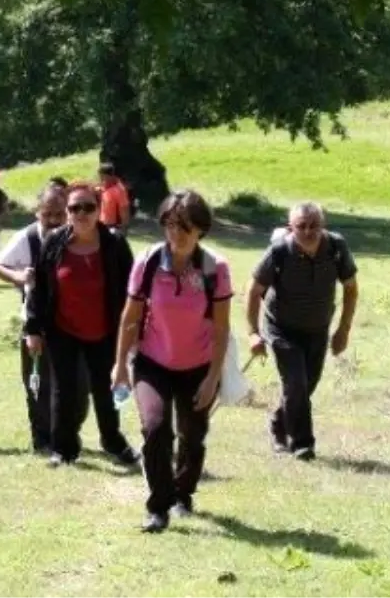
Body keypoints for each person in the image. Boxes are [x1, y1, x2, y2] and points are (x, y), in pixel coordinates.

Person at [113, 189, 233, 533]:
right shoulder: (148, 262)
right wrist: (120, 365)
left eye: (185, 227)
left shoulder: (215, 268)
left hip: (198, 366)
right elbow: (130, 318)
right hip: (153, 363)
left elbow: (222, 328)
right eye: (170, 226)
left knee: (192, 436)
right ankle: (158, 507)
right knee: (154, 429)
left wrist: (212, 378)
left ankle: (183, 495)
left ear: (200, 230)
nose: (176, 235)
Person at [25, 183, 138, 468]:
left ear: (99, 210)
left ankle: (113, 442)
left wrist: (135, 329)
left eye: (88, 207)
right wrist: (33, 329)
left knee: (105, 389)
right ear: (67, 212)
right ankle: (63, 449)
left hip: (104, 331)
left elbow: (133, 290)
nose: (82, 213)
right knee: (64, 390)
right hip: (62, 330)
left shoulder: (114, 244)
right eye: (75, 208)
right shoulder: (54, 242)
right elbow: (39, 288)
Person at [246, 201, 359, 461]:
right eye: (301, 226)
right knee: (296, 383)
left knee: (306, 386)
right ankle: (302, 444)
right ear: (291, 228)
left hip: (318, 329)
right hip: (281, 328)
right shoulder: (278, 251)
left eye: (314, 226)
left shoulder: (336, 248)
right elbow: (253, 291)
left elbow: (351, 289)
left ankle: (278, 421)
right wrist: (253, 332)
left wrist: (343, 330)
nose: (308, 232)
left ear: (323, 226)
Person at [0, 186, 67, 453]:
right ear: (38, 213)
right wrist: (19, 278)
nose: (55, 220)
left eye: (60, 213)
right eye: (48, 214)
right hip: (35, 323)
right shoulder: (28, 237)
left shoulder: (80, 237)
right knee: (37, 382)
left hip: (72, 323)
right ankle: (42, 440)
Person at [98, 163, 132, 236]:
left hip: (114, 227)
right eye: (100, 177)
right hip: (102, 225)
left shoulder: (119, 190)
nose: (101, 180)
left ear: (110, 176)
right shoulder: (104, 187)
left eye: (103, 177)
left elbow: (125, 210)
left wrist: (124, 229)